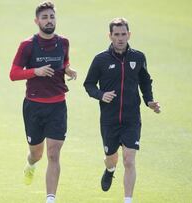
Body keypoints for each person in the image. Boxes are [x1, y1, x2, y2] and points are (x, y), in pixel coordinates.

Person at [83, 17, 160, 203]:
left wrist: (149, 101)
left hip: (131, 118)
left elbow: (145, 81)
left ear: (129, 34)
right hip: (109, 120)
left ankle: (128, 199)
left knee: (129, 160)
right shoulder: (100, 59)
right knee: (112, 158)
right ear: (109, 36)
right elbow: (89, 84)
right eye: (116, 34)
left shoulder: (138, 57)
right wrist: (101, 95)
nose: (120, 38)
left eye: (123, 34)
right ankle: (110, 170)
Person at [9, 2, 77, 203]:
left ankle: (50, 198)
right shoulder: (28, 45)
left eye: (52, 17)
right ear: (37, 21)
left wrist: (68, 70)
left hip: (57, 106)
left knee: (54, 154)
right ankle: (30, 164)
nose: (49, 21)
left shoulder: (63, 42)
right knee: (36, 154)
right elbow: (13, 74)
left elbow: (63, 63)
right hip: (34, 107)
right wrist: (35, 71)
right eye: (45, 17)